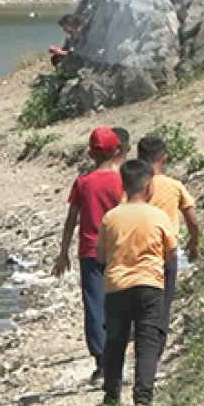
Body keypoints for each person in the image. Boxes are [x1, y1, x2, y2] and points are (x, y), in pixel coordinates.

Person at [96, 159, 176, 406]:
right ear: (149, 186)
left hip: (116, 286)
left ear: (123, 185)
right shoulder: (158, 216)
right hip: (150, 286)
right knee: (147, 341)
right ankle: (143, 399)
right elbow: (171, 254)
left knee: (115, 342)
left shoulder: (111, 217)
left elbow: (100, 255)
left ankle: (111, 397)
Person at [53, 127, 126, 384]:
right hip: (120, 249)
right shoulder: (123, 181)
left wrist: (63, 253)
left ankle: (101, 361)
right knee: (120, 303)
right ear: (118, 151)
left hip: (90, 251)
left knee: (95, 306)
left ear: (90, 153)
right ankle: (119, 354)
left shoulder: (83, 183)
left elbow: (71, 220)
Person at [137, 134, 201, 326]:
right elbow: (192, 221)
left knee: (143, 300)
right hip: (166, 252)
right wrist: (194, 243)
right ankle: (156, 346)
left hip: (139, 252)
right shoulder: (174, 186)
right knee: (163, 304)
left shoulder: (133, 188)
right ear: (164, 159)